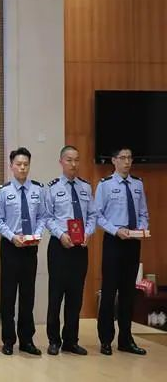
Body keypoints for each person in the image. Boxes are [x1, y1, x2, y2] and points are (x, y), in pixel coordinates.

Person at [0, 147, 49, 356]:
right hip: (11, 247)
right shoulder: (3, 191)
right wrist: (11, 236)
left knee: (28, 295)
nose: (23, 167)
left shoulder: (38, 190)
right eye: (19, 164)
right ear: (11, 166)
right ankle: (8, 340)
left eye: (26, 164)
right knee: (8, 296)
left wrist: (37, 233)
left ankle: (27, 340)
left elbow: (43, 216)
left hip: (30, 248)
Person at [96, 147, 149, 356]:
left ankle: (126, 339)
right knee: (109, 292)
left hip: (133, 242)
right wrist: (116, 230)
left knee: (128, 292)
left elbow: (143, 212)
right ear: (114, 160)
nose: (127, 162)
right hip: (114, 241)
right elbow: (98, 215)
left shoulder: (138, 184)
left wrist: (141, 229)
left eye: (129, 158)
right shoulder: (105, 184)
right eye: (123, 158)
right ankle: (105, 339)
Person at [44, 145, 96, 356]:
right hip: (60, 246)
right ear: (61, 162)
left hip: (80, 248)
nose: (73, 164)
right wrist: (60, 235)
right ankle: (53, 340)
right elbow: (47, 217)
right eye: (69, 160)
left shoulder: (85, 187)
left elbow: (92, 215)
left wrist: (88, 233)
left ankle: (71, 340)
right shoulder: (52, 188)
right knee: (56, 295)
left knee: (76, 296)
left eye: (76, 160)